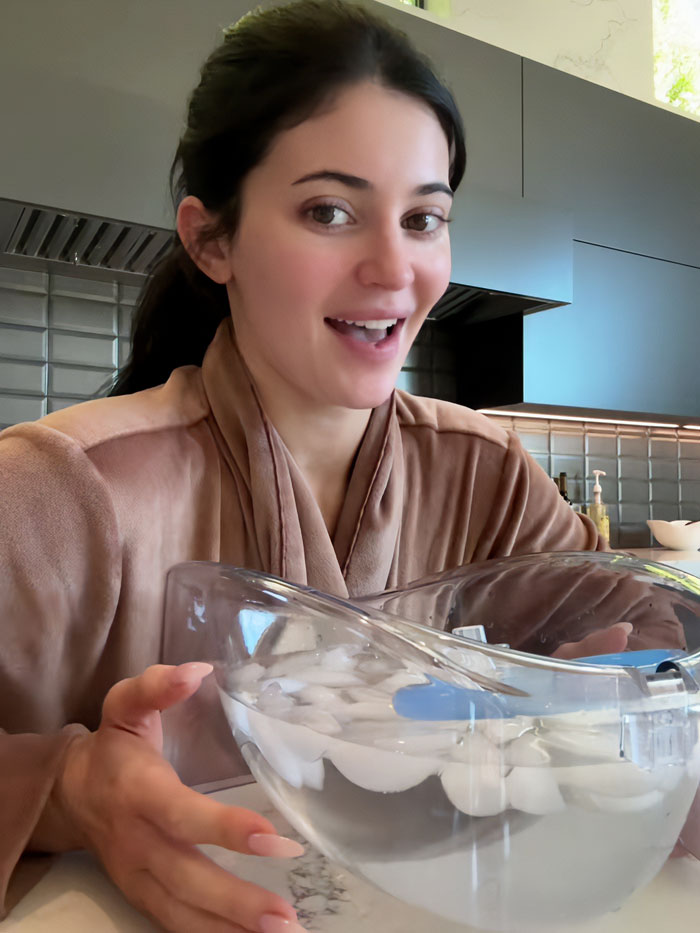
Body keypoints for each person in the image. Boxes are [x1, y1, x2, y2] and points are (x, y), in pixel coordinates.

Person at [0, 1, 664, 930]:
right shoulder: (58, 489)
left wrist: (622, 694)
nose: (395, 267)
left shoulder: (488, 474)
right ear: (211, 240)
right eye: (330, 211)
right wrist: (67, 786)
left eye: (425, 218)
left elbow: (644, 639)